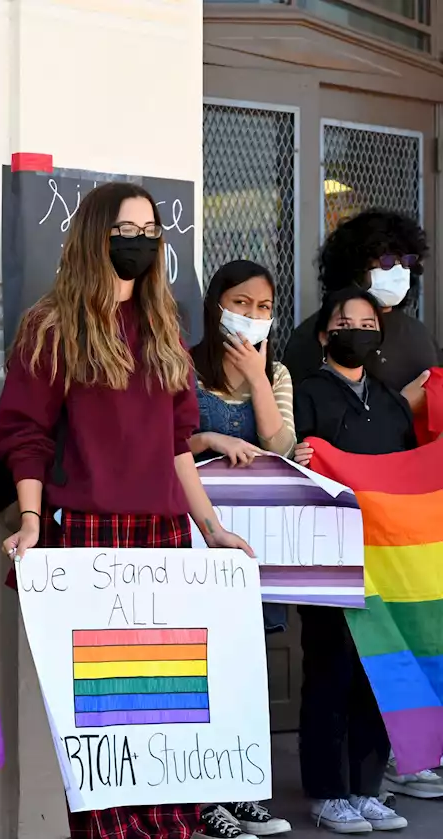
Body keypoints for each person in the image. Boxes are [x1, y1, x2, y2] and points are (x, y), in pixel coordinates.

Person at [0, 181, 254, 839]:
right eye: (124, 229)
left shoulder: (166, 327)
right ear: (95, 236)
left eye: (148, 230)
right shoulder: (51, 325)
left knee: (165, 715)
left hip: (164, 539)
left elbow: (176, 447)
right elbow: (25, 433)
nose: (138, 241)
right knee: (103, 721)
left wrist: (212, 528)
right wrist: (29, 519)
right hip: (88, 538)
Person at [292, 287, 416, 834]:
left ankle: (368, 788)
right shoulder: (307, 393)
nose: (358, 331)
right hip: (328, 555)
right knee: (330, 670)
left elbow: (410, 474)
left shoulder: (390, 401)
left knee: (378, 673)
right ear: (324, 335)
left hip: (387, 558)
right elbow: (287, 462)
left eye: (368, 324)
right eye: (346, 322)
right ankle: (326, 791)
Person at [189, 259, 294, 837]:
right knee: (199, 671)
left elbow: (283, 444)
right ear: (216, 304)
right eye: (240, 303)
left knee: (245, 671)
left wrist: (256, 379)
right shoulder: (182, 364)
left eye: (262, 308)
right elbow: (164, 439)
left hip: (253, 545)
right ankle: (204, 800)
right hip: (190, 541)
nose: (251, 316)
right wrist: (207, 436)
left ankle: (242, 788)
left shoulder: (276, 372)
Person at [283, 210, 438, 413]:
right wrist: (402, 407)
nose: (400, 271)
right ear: (354, 267)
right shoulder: (320, 334)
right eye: (387, 262)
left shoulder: (419, 332)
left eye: (406, 261)